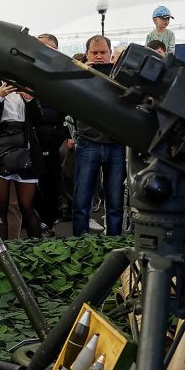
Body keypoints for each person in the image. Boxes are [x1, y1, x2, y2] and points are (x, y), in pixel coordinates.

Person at [72, 35, 125, 236]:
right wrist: (85, 72)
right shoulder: (79, 74)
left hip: (115, 143)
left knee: (115, 201)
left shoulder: (120, 74)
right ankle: (80, 245)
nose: (100, 56)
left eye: (103, 52)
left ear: (111, 54)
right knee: (81, 200)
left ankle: (113, 246)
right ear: (87, 54)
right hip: (87, 142)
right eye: (95, 52)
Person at [0, 81, 44, 239]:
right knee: (1, 206)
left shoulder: (29, 86)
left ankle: (38, 251)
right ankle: (2, 255)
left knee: (27, 206)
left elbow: (40, 121)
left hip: (25, 148)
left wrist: (30, 99)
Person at [31, 33, 68, 229]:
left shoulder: (62, 75)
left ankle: (50, 221)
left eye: (46, 47)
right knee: (33, 183)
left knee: (52, 180)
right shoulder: (27, 72)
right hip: (32, 137)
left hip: (54, 138)